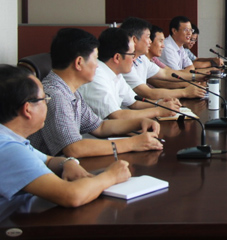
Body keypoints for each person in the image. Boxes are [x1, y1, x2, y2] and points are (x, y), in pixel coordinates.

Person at [0, 65, 131, 207]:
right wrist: (111, 176)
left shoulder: (10, 138)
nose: (47, 104)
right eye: (44, 99)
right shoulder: (8, 149)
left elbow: (48, 160)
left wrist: (67, 163)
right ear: (27, 109)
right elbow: (72, 195)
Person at [28, 28, 164, 158]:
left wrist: (139, 122)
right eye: (95, 59)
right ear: (79, 62)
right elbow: (73, 148)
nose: (97, 65)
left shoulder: (71, 91)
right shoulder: (55, 95)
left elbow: (100, 127)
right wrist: (133, 143)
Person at [79, 28, 181, 120]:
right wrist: (158, 111)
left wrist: (160, 104)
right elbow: (117, 115)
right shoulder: (97, 76)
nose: (134, 58)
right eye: (132, 54)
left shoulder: (116, 74)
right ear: (117, 57)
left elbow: (134, 103)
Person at [119, 17, 208, 100]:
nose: (150, 41)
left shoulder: (141, 58)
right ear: (134, 39)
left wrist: (197, 76)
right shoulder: (125, 64)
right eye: (148, 37)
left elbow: (165, 73)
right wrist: (185, 92)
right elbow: (148, 93)